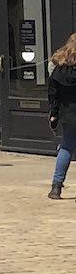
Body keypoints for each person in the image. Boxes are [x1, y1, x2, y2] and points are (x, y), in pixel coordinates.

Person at [47, 35, 76, 199]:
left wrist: (54, 113)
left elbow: (53, 94)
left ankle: (56, 187)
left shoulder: (59, 71)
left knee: (66, 148)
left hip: (68, 113)